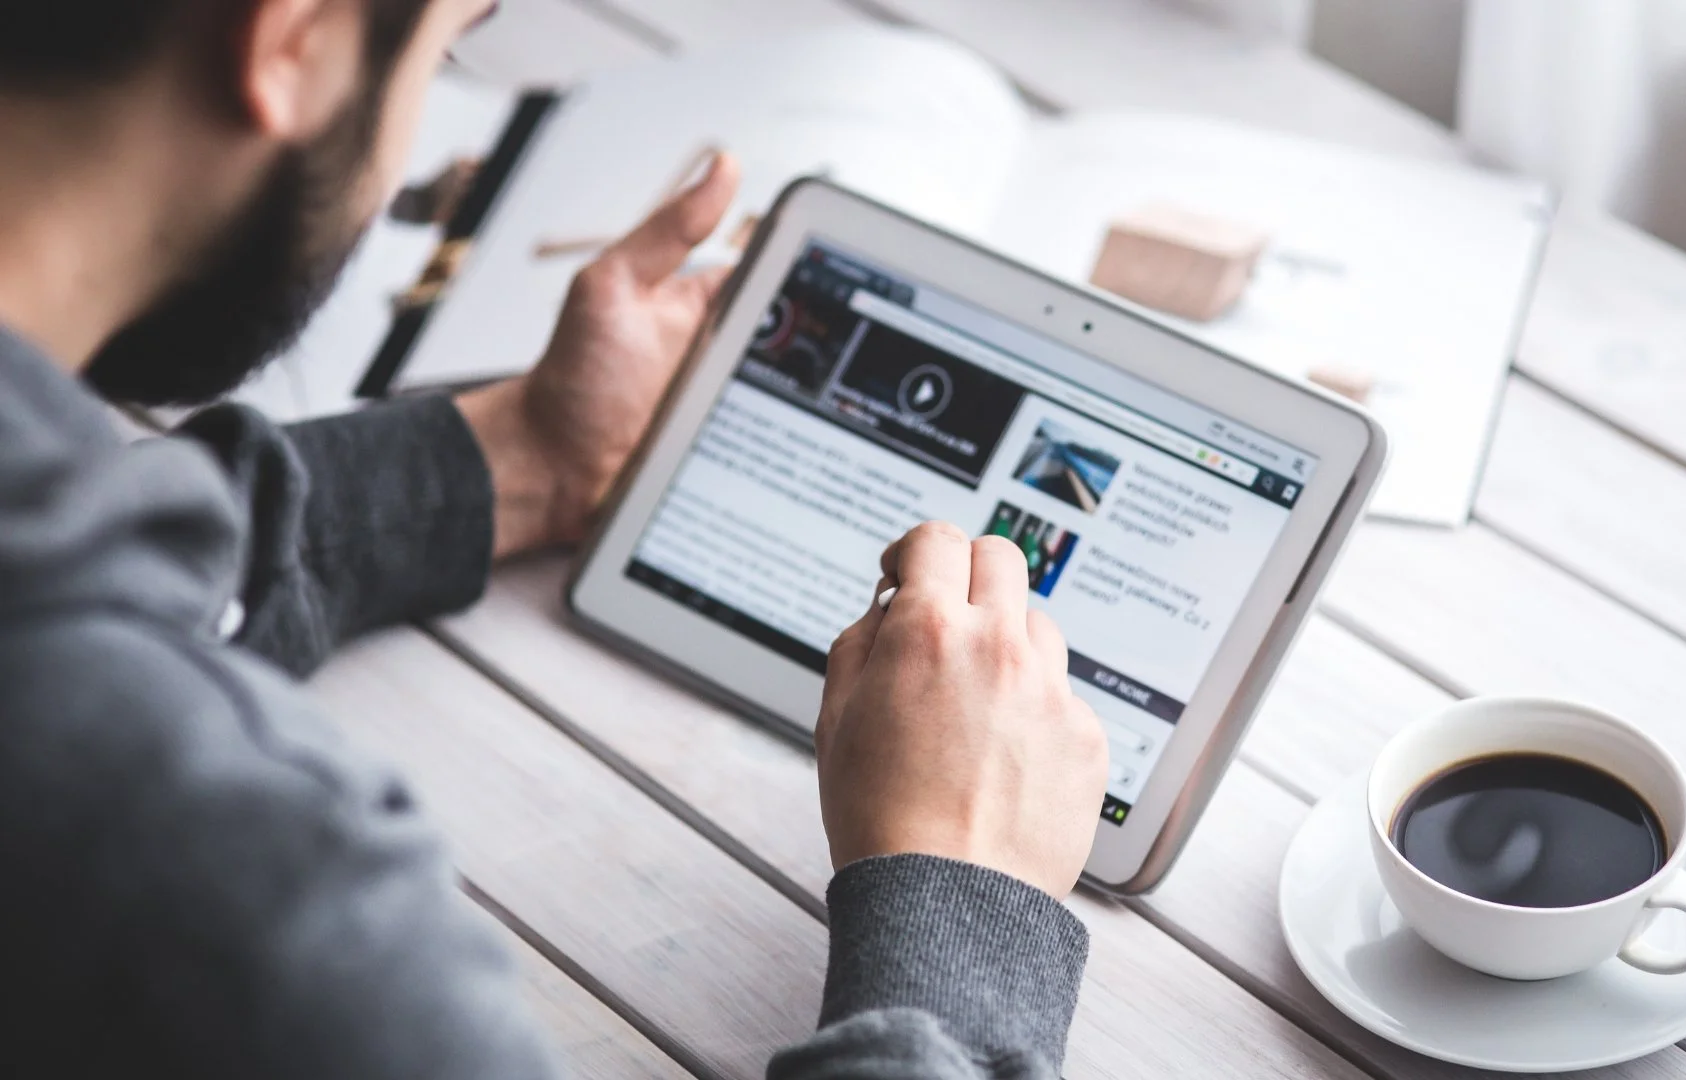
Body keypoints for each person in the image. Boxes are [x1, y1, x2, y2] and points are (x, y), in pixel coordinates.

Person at [0, 1, 1112, 1076]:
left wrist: (521, 456)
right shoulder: (264, 912)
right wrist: (961, 908)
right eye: (443, 51)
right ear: (293, 33)